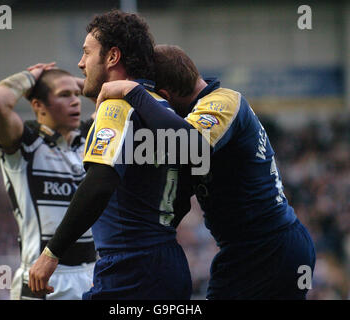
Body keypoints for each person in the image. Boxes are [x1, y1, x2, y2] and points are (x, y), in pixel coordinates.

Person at [94, 44, 317, 300]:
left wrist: (134, 93)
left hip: (269, 248)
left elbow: (191, 145)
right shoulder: (194, 117)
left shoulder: (224, 101)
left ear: (164, 96)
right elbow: (178, 198)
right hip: (249, 250)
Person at [28, 10, 192, 300]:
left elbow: (100, 182)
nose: (80, 63)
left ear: (112, 57)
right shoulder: (160, 107)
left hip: (130, 269)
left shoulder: (116, 106)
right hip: (169, 263)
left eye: (86, 53)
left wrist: (51, 253)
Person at [0, 64, 97, 300]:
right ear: (38, 105)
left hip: (92, 277)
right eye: (64, 95)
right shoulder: (26, 144)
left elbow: (116, 98)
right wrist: (31, 77)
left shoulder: (89, 139)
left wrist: (69, 82)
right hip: (43, 280)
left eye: (76, 94)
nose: (75, 101)